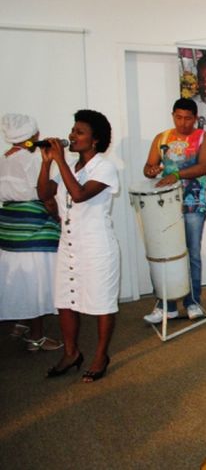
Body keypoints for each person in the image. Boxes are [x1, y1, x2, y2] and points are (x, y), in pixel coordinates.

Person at [37, 110, 119, 382]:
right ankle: (71, 353)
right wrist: (46, 163)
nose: (72, 136)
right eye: (72, 130)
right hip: (69, 245)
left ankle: (100, 356)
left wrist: (60, 160)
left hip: (96, 247)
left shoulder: (105, 168)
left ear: (95, 140)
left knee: (101, 302)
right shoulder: (69, 167)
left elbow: (80, 194)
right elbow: (44, 193)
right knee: (65, 300)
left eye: (79, 132)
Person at [142, 98, 206, 323]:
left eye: (188, 118)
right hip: (165, 205)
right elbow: (149, 166)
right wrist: (151, 170)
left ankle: (193, 303)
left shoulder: (204, 138)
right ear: (173, 115)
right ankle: (166, 306)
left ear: (195, 118)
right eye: (178, 117)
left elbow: (203, 167)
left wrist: (176, 175)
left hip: (193, 203)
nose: (183, 123)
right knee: (165, 254)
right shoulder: (162, 138)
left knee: (192, 254)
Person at [0, 114, 62, 351]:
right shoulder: (32, 160)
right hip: (33, 227)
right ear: (33, 135)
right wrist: (56, 217)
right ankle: (36, 337)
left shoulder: (3, 159)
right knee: (35, 281)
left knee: (17, 277)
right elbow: (45, 194)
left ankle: (21, 321)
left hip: (9, 226)